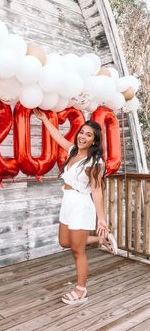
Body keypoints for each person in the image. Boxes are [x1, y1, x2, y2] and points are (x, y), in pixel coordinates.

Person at [33, 108, 118, 305]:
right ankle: (101, 240)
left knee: (77, 250)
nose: (83, 136)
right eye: (82, 132)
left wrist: (102, 219)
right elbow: (57, 137)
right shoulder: (73, 151)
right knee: (64, 242)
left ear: (94, 141)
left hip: (81, 205)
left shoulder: (95, 162)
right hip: (68, 201)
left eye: (89, 135)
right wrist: (44, 118)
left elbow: (96, 190)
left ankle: (81, 290)